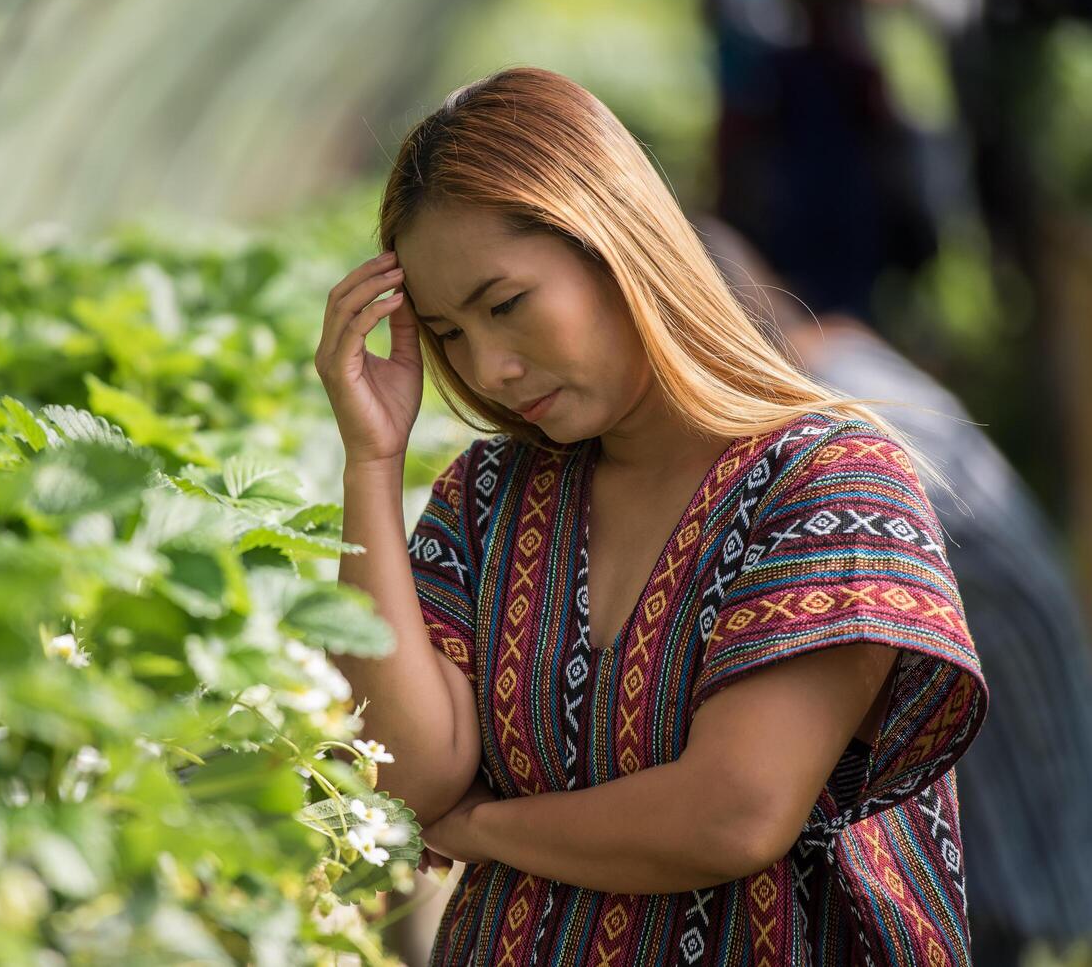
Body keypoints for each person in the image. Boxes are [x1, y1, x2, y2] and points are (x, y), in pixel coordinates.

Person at [315, 67, 988, 966]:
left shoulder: (830, 484)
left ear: (614, 242)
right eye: (447, 334)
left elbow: (732, 814)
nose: (487, 369)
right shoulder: (486, 497)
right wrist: (370, 460)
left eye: (505, 306)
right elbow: (401, 777)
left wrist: (484, 830)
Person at [700, 218, 1092, 966]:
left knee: (967, 920)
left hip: (997, 711)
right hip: (1010, 676)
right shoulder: (841, 356)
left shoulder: (828, 427)